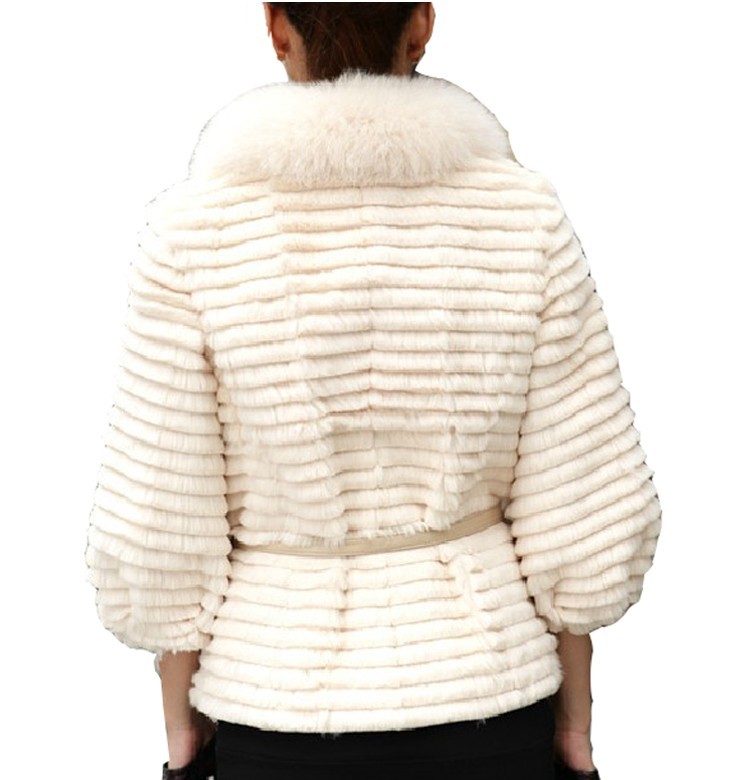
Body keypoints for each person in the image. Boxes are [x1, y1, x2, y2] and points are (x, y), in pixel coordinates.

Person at [83, 4, 662, 779]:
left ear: (276, 27)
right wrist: (577, 724)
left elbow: (160, 520)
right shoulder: (521, 218)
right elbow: (583, 509)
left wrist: (180, 729)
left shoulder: (194, 234)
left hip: (276, 704)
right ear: (421, 25)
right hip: (489, 695)